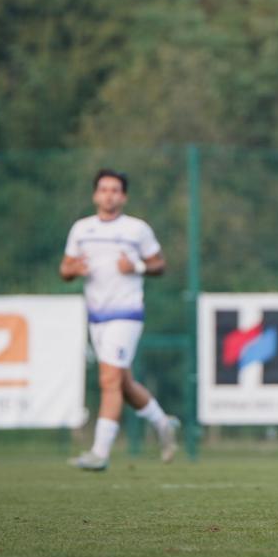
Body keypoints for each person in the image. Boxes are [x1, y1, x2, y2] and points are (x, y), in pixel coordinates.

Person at [61, 169, 179, 471]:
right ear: (95, 195)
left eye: (115, 190)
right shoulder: (81, 229)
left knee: (108, 380)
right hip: (96, 315)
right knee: (122, 383)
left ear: (123, 196)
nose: (108, 195)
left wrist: (137, 265)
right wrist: (75, 270)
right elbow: (65, 269)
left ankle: (100, 453)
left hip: (126, 313)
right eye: (103, 189)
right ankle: (163, 423)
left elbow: (159, 265)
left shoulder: (136, 229)